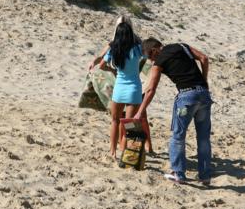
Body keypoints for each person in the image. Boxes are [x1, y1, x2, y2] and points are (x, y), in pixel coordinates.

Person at [134, 38, 212, 185]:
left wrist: (140, 111)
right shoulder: (181, 46)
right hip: (204, 94)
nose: (150, 60)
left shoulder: (159, 61)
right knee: (203, 138)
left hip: (186, 97)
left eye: (149, 56)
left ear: (155, 49)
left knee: (178, 136)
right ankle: (205, 175)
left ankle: (178, 173)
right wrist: (204, 79)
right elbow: (204, 58)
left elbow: (151, 89)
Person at [88, 16, 147, 160]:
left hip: (119, 89)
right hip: (134, 89)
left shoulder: (114, 50)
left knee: (115, 121)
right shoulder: (138, 48)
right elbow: (147, 57)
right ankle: (125, 152)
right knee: (129, 124)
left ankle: (112, 152)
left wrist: (113, 71)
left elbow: (102, 65)